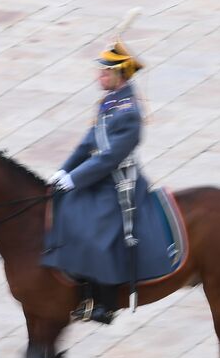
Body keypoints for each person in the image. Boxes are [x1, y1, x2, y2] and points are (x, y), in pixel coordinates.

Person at [44, 37, 151, 325]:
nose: (99, 77)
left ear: (119, 75)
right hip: (98, 175)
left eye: (104, 72)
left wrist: (75, 179)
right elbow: (87, 143)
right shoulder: (109, 102)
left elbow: (108, 158)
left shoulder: (129, 113)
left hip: (119, 182)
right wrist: (64, 171)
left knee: (97, 230)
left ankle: (104, 303)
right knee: (64, 208)